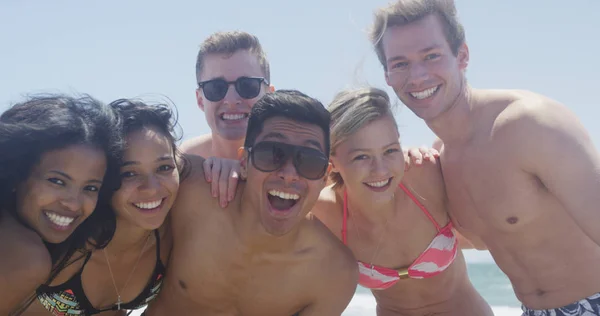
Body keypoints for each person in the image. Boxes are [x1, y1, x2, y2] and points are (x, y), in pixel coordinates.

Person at [370, 0, 600, 314]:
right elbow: (481, 239)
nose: (417, 75)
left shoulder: (528, 124)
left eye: (431, 56)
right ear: (387, 75)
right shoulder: (438, 160)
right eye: (400, 63)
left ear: (461, 56)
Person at [145, 90, 358, 316]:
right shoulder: (190, 189)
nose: (289, 174)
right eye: (272, 153)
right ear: (244, 162)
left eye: (309, 161)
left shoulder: (335, 272)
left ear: (325, 177)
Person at [310, 87, 492, 316]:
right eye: (361, 156)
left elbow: (489, 234)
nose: (381, 170)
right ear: (332, 161)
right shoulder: (323, 210)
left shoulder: (427, 173)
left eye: (389, 151)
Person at [24, 99, 184, 316]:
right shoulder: (61, 232)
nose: (152, 188)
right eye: (129, 173)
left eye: (164, 168)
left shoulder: (173, 232)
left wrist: (221, 164)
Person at [0, 94, 122, 315]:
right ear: (17, 174)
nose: (73, 205)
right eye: (57, 181)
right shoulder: (25, 257)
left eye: (90, 188)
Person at [181, 30, 275, 159]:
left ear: (269, 97)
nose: (231, 100)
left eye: (247, 85)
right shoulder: (180, 166)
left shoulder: (296, 168)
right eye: (216, 87)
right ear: (200, 100)